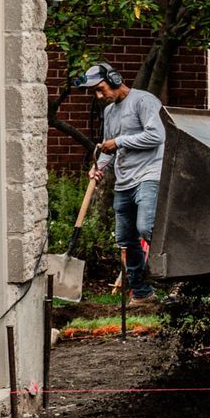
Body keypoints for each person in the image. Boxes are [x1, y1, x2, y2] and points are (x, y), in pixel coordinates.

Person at [81, 62, 166, 303]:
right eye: (95, 92)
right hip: (124, 181)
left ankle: (184, 276)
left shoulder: (143, 101)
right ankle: (142, 294)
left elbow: (157, 135)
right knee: (125, 239)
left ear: (115, 79)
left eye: (101, 89)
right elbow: (108, 148)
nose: (99, 96)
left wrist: (119, 142)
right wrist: (98, 166)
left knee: (146, 227)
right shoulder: (110, 111)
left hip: (149, 174)